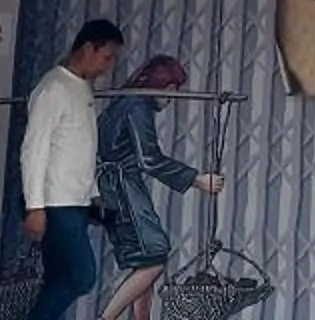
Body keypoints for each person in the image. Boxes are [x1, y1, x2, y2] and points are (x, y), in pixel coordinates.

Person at [96, 55, 224, 320]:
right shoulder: (137, 105)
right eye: (171, 90)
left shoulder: (123, 103)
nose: (171, 99)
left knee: (147, 260)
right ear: (160, 85)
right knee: (155, 258)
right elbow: (150, 159)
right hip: (123, 188)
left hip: (115, 187)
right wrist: (197, 179)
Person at [21, 18, 124, 320]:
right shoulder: (53, 88)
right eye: (107, 57)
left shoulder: (81, 88)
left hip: (75, 202)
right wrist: (35, 207)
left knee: (58, 278)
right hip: (56, 203)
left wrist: (93, 196)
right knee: (81, 276)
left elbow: (80, 150)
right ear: (88, 48)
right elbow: (34, 150)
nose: (108, 66)